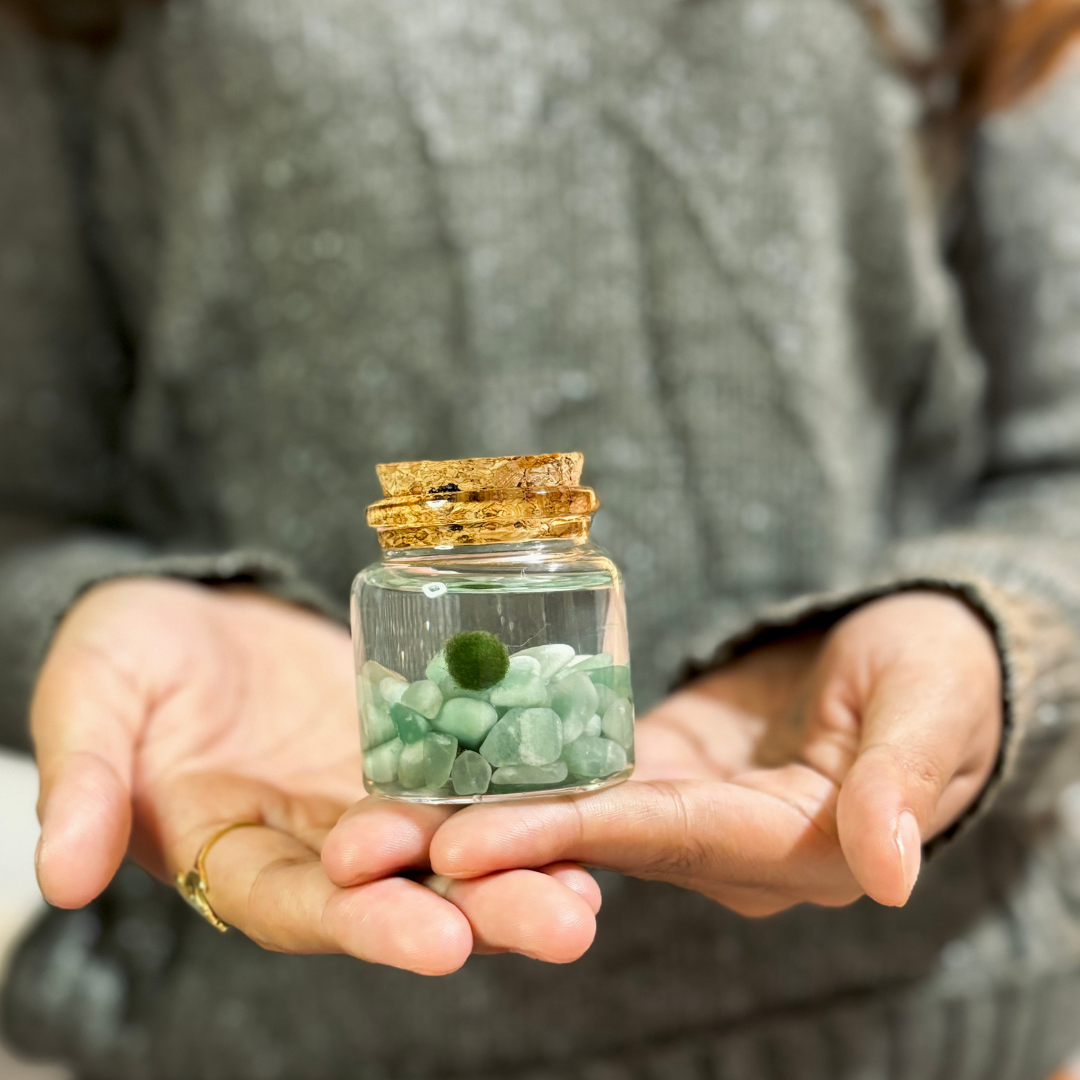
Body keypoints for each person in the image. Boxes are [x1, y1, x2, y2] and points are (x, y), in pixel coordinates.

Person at [1, 0, 1080, 1075]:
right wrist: (87, 617)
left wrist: (981, 631)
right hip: (279, 1027)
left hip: (932, 1010)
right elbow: (24, 499)